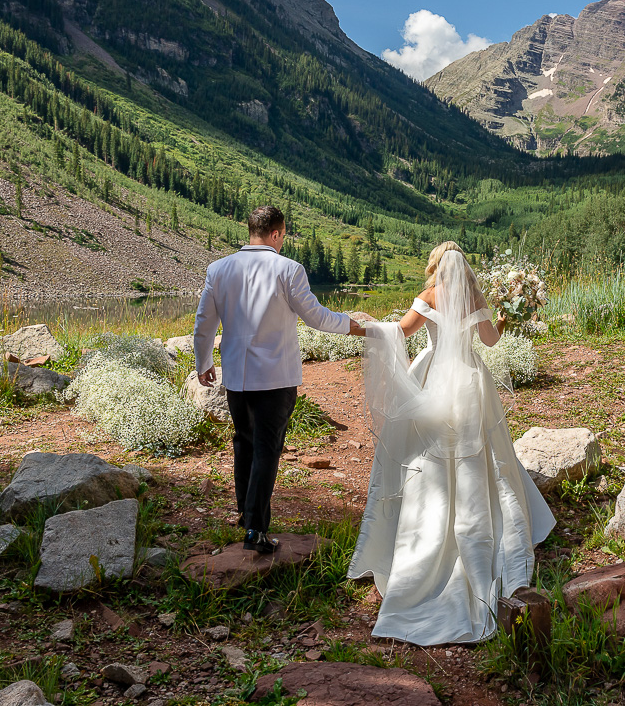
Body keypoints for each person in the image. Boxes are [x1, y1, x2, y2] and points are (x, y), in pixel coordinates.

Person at [348, 241, 556, 645]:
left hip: (431, 375)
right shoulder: (475, 297)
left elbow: (402, 331)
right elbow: (492, 341)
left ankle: (422, 534)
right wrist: (507, 315)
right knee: (483, 458)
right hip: (470, 380)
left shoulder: (429, 295)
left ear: (436, 264)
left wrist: (365, 327)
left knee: (425, 457)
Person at [194, 205, 365, 554]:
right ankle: (256, 529)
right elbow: (316, 317)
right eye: (283, 236)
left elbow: (204, 323)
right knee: (267, 449)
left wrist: (203, 362)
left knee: (243, 442)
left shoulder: (219, 268)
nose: (283, 242)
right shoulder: (289, 270)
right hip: (275, 377)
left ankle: (246, 514)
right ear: (275, 233)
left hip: (237, 377)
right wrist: (354, 326)